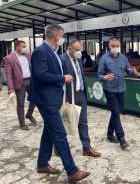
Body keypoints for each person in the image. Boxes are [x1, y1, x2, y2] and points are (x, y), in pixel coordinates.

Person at [29, 24, 90, 182]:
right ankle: (72, 171)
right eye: (62, 35)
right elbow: (40, 75)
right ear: (56, 35)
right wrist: (63, 78)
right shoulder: (40, 51)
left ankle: (42, 164)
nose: (62, 38)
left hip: (54, 98)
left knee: (49, 132)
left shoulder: (53, 52)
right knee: (60, 134)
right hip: (46, 100)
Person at [61, 39, 101, 157]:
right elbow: (60, 79)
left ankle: (86, 148)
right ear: (69, 49)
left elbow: (80, 75)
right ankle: (59, 146)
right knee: (66, 123)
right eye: (77, 50)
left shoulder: (78, 59)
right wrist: (64, 98)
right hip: (68, 96)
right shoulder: (62, 59)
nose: (79, 52)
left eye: (80, 50)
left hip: (81, 94)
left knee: (83, 122)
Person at [98, 37, 137, 150]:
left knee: (116, 112)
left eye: (117, 46)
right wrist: (104, 77)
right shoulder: (104, 59)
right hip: (109, 89)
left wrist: (132, 71)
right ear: (109, 47)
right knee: (115, 111)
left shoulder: (123, 58)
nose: (115, 48)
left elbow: (128, 70)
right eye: (113, 46)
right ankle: (121, 138)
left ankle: (110, 135)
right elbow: (99, 75)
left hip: (121, 89)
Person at [4, 40, 36, 130]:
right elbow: (8, 74)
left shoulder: (28, 55)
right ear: (17, 46)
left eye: (25, 46)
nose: (25, 48)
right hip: (19, 84)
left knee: (35, 99)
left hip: (30, 81)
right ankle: (22, 124)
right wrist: (10, 89)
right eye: (23, 46)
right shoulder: (9, 58)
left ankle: (29, 114)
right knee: (21, 104)